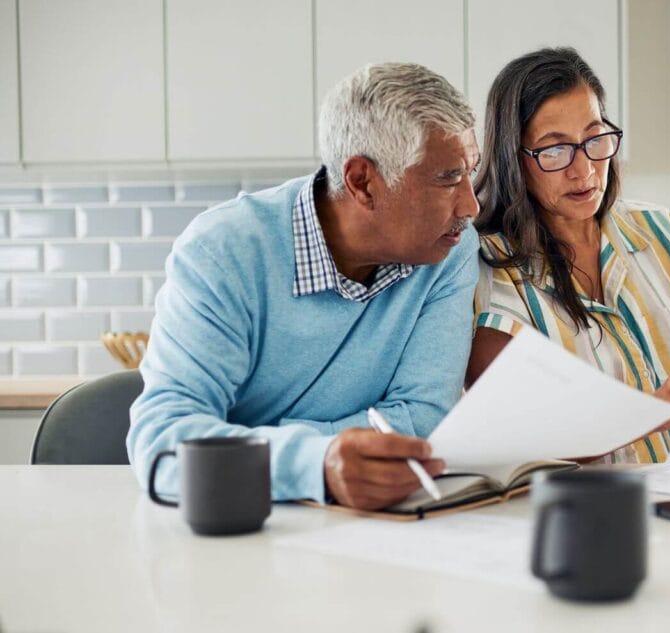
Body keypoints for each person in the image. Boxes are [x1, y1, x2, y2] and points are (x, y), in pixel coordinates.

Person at [129, 63, 481, 510]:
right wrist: (316, 464)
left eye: (471, 172)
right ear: (363, 182)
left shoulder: (449, 249)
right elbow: (164, 441)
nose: (470, 204)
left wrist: (260, 448)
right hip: (240, 525)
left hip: (373, 529)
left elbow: (423, 421)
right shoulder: (223, 252)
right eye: (448, 178)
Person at [468, 48, 670, 463]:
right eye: (554, 151)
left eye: (594, 139)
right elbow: (524, 436)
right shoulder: (486, 275)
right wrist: (657, 415)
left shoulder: (658, 231)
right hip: (599, 512)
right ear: (514, 158)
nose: (585, 171)